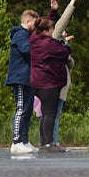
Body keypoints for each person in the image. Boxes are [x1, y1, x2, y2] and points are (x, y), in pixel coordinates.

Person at [29, 16, 71, 153]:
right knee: (49, 114)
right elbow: (65, 53)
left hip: (36, 81)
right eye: (52, 29)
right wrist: (64, 44)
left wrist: (52, 13)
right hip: (49, 83)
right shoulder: (49, 43)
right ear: (45, 31)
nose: (53, 31)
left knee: (44, 114)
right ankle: (48, 143)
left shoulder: (33, 39)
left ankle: (43, 143)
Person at [47, 0, 79, 148]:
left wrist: (68, 57)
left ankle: (51, 141)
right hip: (54, 82)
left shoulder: (61, 43)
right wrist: (72, 2)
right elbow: (62, 22)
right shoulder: (52, 38)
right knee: (51, 115)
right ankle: (50, 142)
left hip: (60, 82)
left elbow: (71, 63)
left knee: (54, 115)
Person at [5, 9, 39, 154]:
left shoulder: (26, 35)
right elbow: (27, 51)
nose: (36, 27)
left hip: (27, 78)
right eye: (35, 23)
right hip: (19, 77)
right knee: (21, 108)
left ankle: (24, 140)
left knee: (28, 110)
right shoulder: (20, 34)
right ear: (28, 22)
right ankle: (16, 141)